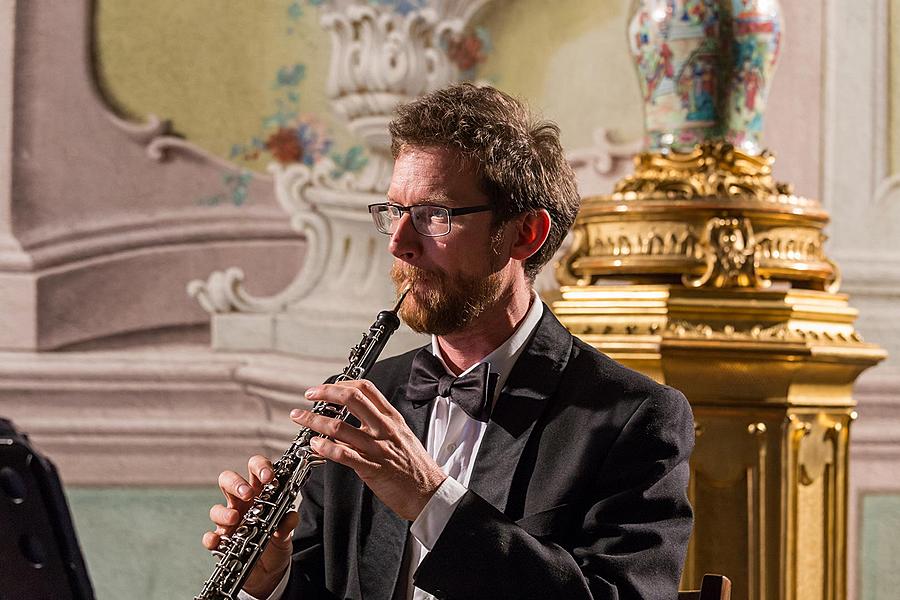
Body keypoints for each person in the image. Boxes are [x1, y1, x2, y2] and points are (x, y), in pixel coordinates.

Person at [204, 83, 694, 600]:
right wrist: (271, 581)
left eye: (434, 215)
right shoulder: (368, 396)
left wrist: (429, 498)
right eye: (394, 211)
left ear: (524, 233)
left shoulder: (635, 417)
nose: (400, 243)